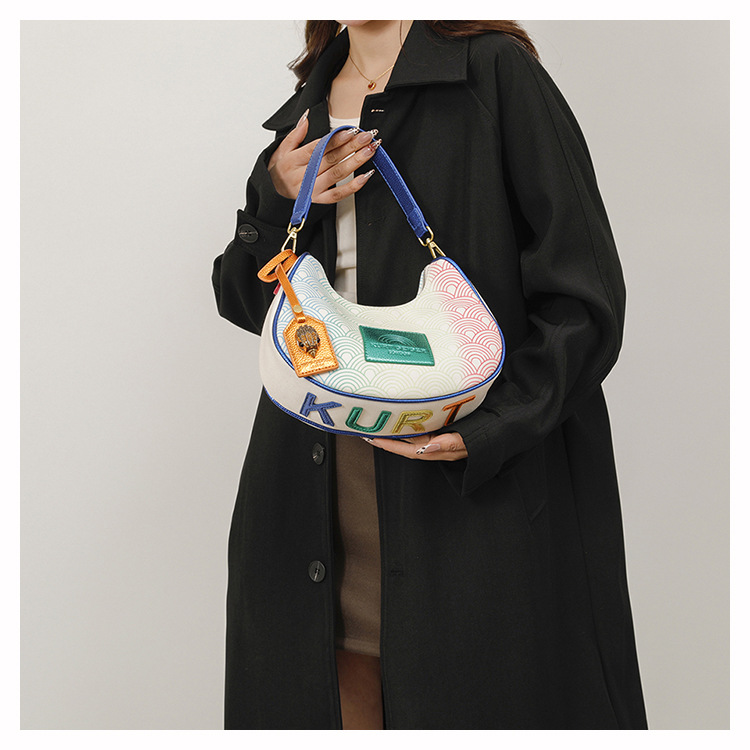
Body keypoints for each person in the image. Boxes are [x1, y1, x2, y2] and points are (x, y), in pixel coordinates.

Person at [212, 20, 648, 730]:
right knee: (329, 695)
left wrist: (493, 427)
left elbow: (586, 297)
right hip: (314, 481)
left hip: (466, 485)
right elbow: (247, 303)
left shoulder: (494, 74)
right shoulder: (304, 114)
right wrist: (274, 196)